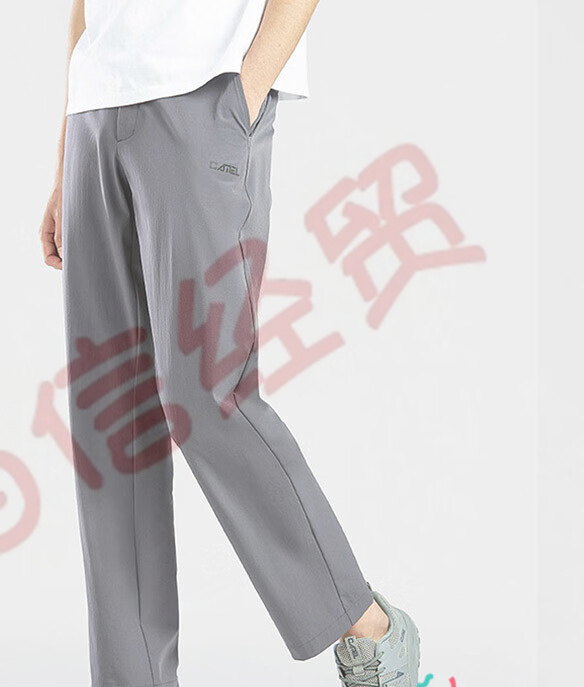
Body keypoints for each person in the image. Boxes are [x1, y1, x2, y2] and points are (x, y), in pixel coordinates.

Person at [39, 1, 420, 686]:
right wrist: (67, 148)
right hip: (96, 110)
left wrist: (243, 96)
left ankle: (365, 625)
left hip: (204, 93)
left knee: (208, 393)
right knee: (112, 427)